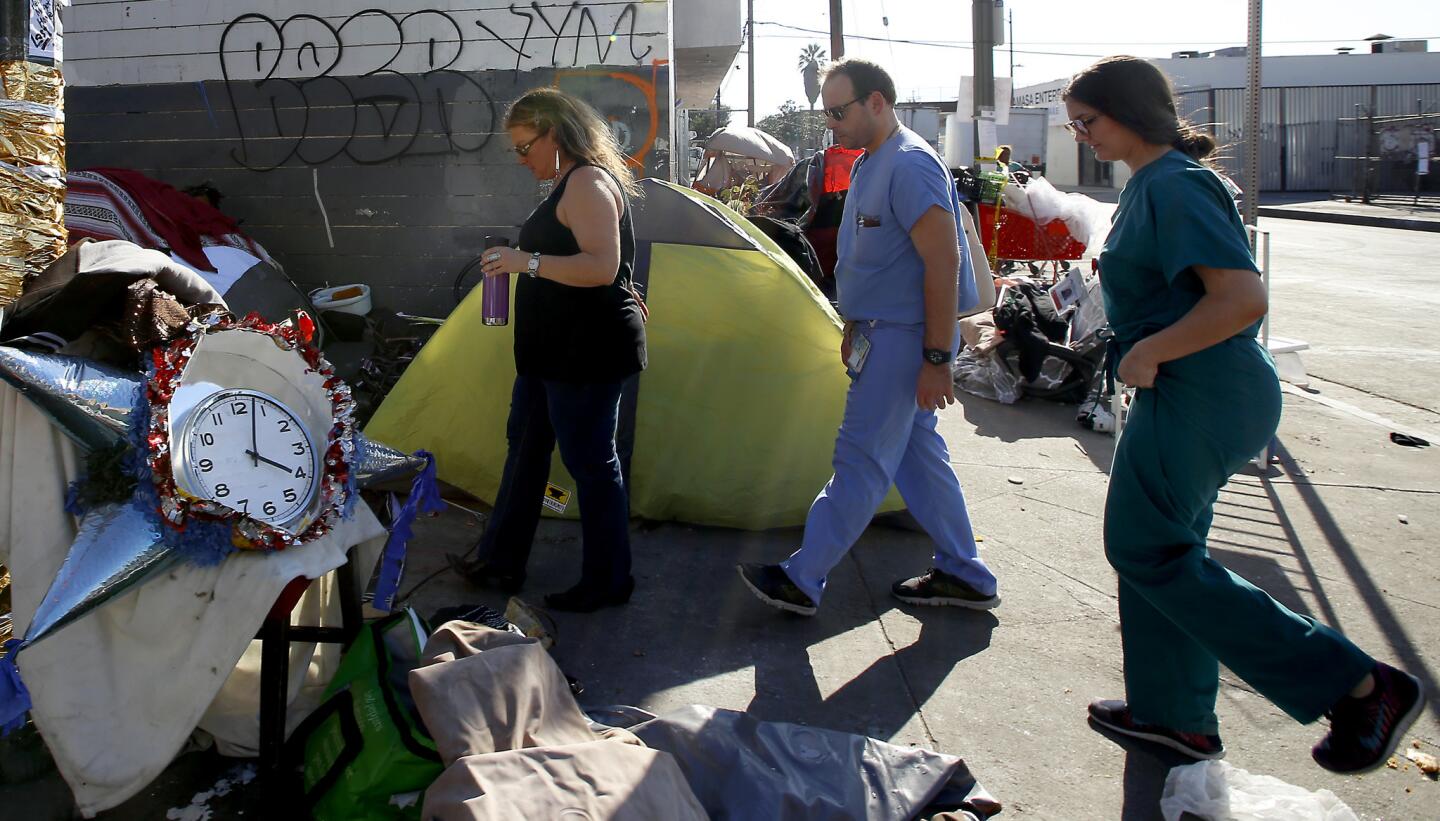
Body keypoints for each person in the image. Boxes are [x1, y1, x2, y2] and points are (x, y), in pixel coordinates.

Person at [1066, 56, 1424, 772]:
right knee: (1164, 552)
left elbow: (1242, 299)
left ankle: (1357, 685)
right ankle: (1175, 715)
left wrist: (1149, 352)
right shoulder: (1151, 185)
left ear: (1132, 111)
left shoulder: (1177, 182)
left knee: (1146, 549)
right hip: (1187, 388)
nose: (1082, 137)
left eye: (1090, 122)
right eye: (1076, 125)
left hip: (1202, 389)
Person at [737, 58, 998, 617]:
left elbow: (942, 262)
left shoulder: (909, 165)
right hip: (882, 337)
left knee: (859, 459)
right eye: (826, 112)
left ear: (876, 101)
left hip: (904, 342)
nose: (831, 122)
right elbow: (874, 261)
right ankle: (965, 572)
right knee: (916, 458)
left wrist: (935, 356)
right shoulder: (868, 164)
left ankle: (802, 577)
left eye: (839, 110)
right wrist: (855, 324)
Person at [448, 88, 647, 613]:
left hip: (585, 353)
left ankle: (609, 579)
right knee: (526, 449)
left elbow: (601, 267)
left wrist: (525, 262)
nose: (520, 158)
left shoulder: (586, 182)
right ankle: (500, 559)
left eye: (524, 146)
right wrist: (520, 260)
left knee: (591, 463)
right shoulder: (565, 181)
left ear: (554, 133)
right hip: (549, 352)